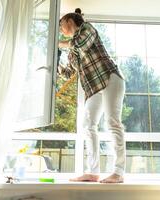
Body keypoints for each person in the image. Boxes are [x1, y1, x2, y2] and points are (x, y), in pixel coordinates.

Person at [58, 8, 125, 183]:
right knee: (88, 125)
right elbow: (68, 72)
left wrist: (59, 44)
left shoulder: (87, 29)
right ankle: (93, 172)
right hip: (94, 87)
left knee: (113, 123)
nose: (60, 30)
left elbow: (80, 44)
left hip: (110, 78)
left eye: (61, 26)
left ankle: (118, 172)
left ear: (69, 22)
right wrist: (56, 60)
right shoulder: (72, 50)